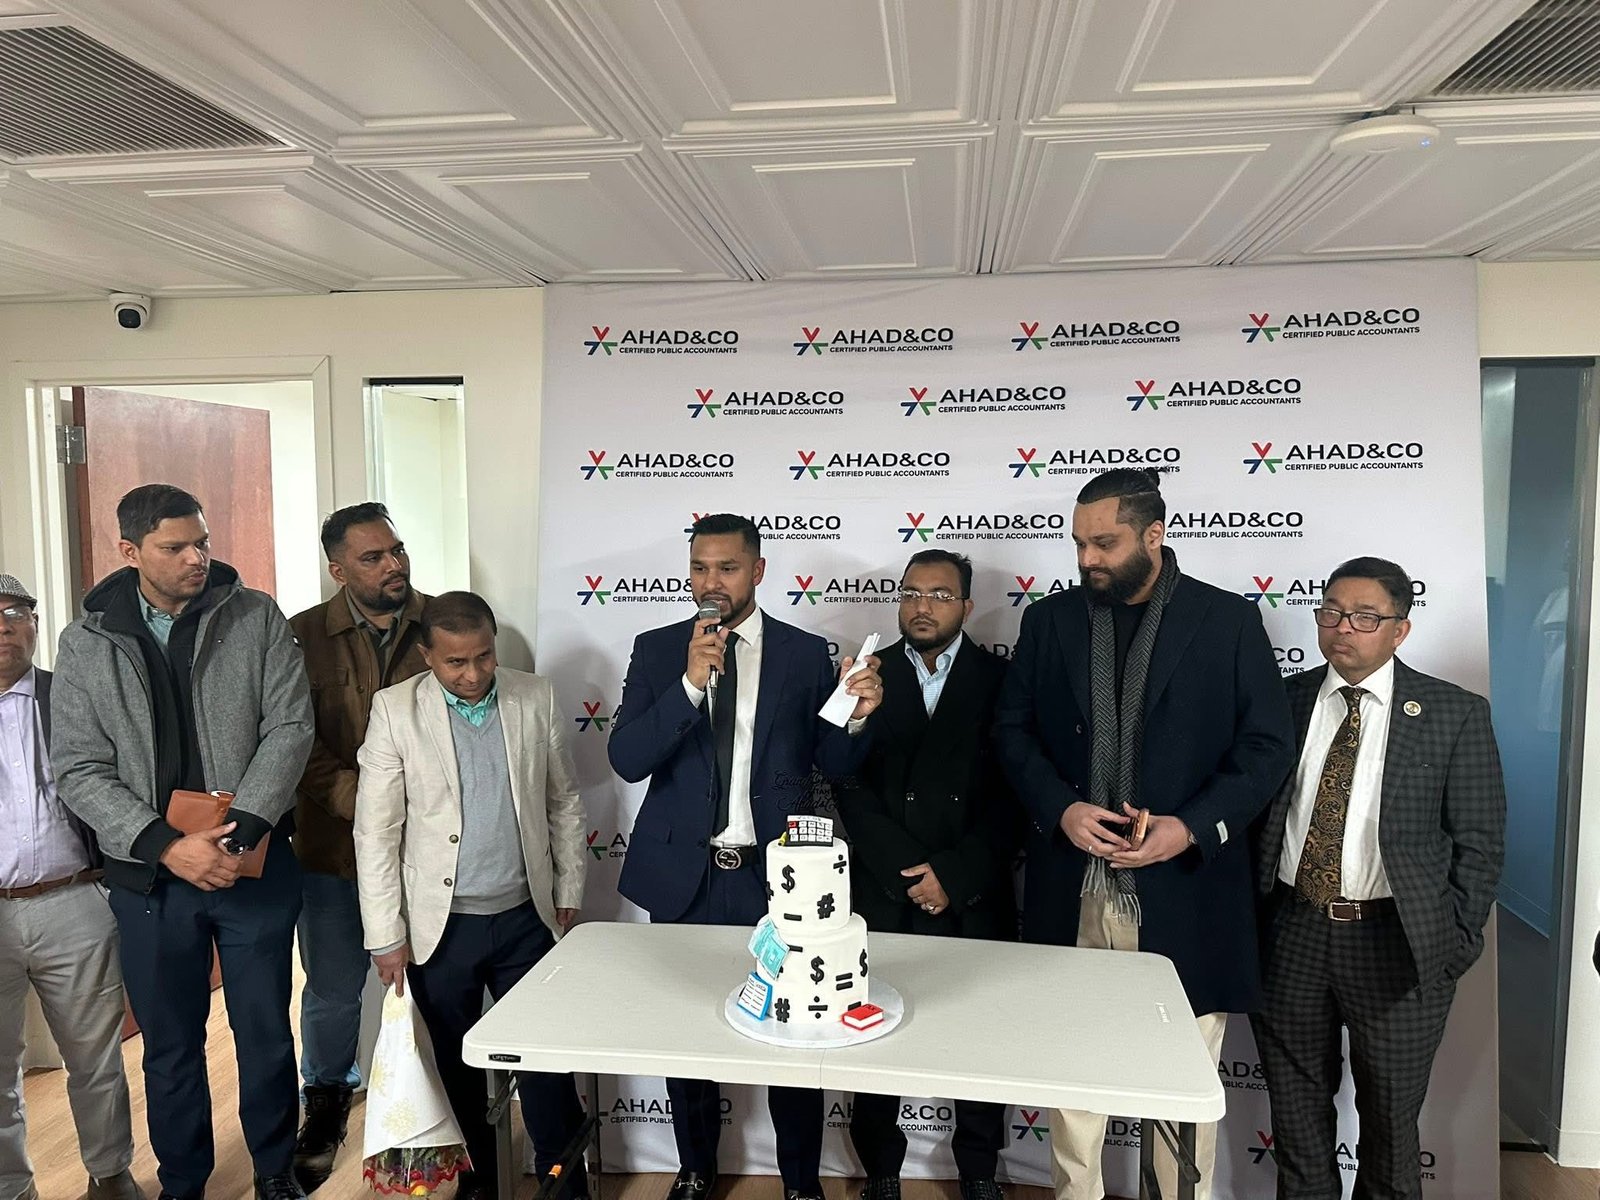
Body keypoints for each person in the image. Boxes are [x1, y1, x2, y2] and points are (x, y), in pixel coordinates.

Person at [993, 468, 1295, 1200]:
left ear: (1153, 535)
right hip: (1074, 885)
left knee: (1182, 1075)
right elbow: (1012, 731)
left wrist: (1189, 829)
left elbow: (1266, 748)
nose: (1087, 558)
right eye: (1078, 543)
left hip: (1187, 890)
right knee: (1074, 1067)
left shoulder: (1227, 621)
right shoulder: (1049, 621)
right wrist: (1062, 811)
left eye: (1105, 543)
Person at [608, 513, 884, 1200]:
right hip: (686, 881)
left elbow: (832, 762)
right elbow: (627, 758)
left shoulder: (804, 654)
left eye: (727, 568)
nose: (711, 582)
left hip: (778, 882)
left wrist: (856, 716)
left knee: (795, 1033)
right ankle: (696, 1169)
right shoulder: (658, 650)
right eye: (699, 567)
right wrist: (688, 685)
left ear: (758, 570)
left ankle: (800, 1182)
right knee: (687, 1039)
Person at [50, 484, 314, 1200]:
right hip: (150, 880)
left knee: (264, 1033)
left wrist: (241, 833)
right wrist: (168, 846)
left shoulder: (254, 615)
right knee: (169, 1046)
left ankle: (274, 1170)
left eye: (202, 541)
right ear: (130, 551)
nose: (197, 557)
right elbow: (77, 767)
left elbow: (291, 727)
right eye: (175, 547)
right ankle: (184, 1183)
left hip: (251, 865)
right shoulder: (86, 643)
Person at [1250, 557, 1505, 1200]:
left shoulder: (1453, 713)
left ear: (1400, 630)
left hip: (1396, 943)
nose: (1344, 628)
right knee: (1296, 1120)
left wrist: (1452, 944)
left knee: (1391, 1130)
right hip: (1291, 934)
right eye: (1332, 612)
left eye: (1365, 617)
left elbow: (1480, 844)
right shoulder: (1282, 701)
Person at [354, 592, 589, 1200]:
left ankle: (565, 1185)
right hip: (441, 929)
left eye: (484, 656)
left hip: (526, 918)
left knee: (544, 1066)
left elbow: (563, 800)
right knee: (457, 1068)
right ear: (427, 656)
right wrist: (386, 935)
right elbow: (376, 832)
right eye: (455, 662)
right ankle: (480, 1186)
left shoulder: (534, 696)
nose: (473, 673)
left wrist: (568, 884)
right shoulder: (395, 710)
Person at [836, 550, 1019, 1200]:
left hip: (974, 891)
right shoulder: (866, 674)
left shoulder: (1005, 680)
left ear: (967, 606)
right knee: (874, 1037)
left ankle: (979, 1172)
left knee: (980, 1040)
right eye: (911, 592)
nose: (922, 606)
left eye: (940, 595)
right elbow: (845, 781)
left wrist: (953, 875)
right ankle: (880, 1171)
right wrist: (909, 873)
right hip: (887, 890)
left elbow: (1017, 795)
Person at [288, 502, 431, 1191]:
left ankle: (436, 1108)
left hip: (429, 849)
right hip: (332, 850)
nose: (393, 565)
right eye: (372, 557)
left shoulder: (441, 623)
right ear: (338, 570)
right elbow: (291, 740)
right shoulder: (300, 635)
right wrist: (365, 803)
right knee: (333, 988)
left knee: (437, 983)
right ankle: (325, 1103)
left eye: (396, 550)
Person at [0, 573, 143, 1200]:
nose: (3, 627)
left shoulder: (70, 697)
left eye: (15, 613)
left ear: (35, 624)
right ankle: (11, 1187)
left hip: (74, 900)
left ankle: (109, 1174)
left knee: (95, 1057)